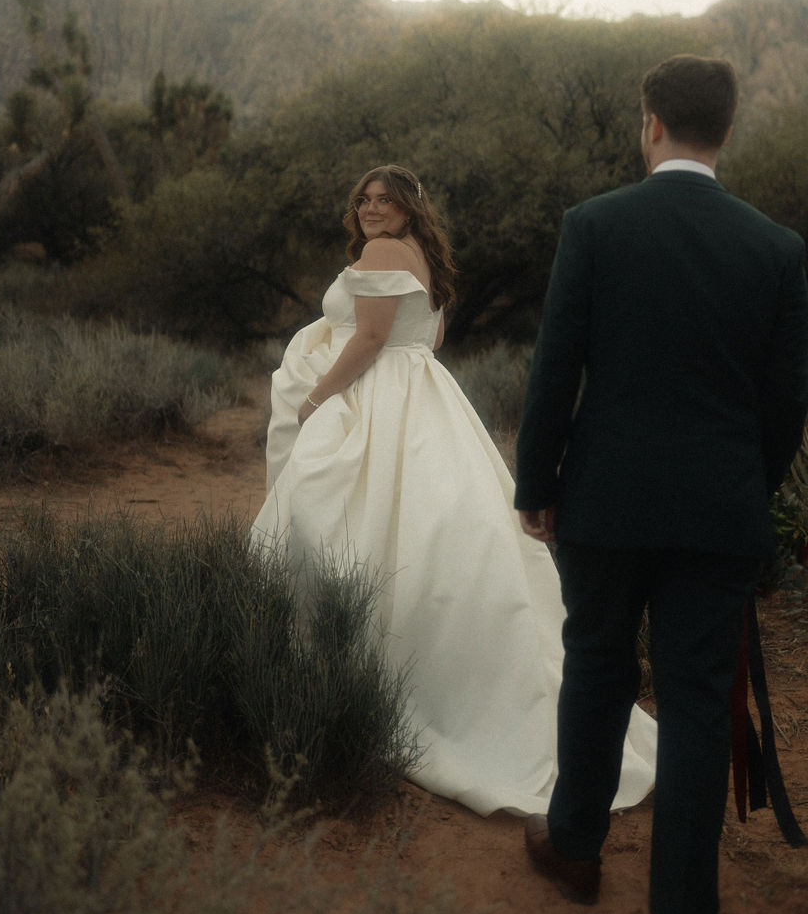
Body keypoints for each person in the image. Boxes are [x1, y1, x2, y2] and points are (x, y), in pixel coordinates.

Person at [514, 55, 808, 914]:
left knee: (597, 668)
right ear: (725, 131)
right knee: (693, 707)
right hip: (716, 513)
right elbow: (786, 404)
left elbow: (556, 367)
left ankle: (575, 848)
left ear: (651, 124)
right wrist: (744, 490)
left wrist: (538, 481)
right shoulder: (775, 249)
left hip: (603, 504)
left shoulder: (595, 225)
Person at [252, 163, 656, 817]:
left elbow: (376, 337)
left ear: (409, 208)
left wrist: (317, 396)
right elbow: (427, 339)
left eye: (385, 200)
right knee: (427, 527)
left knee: (337, 518)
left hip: (378, 399)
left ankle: (351, 668)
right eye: (364, 198)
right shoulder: (427, 260)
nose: (371, 209)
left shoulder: (383, 253)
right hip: (428, 399)